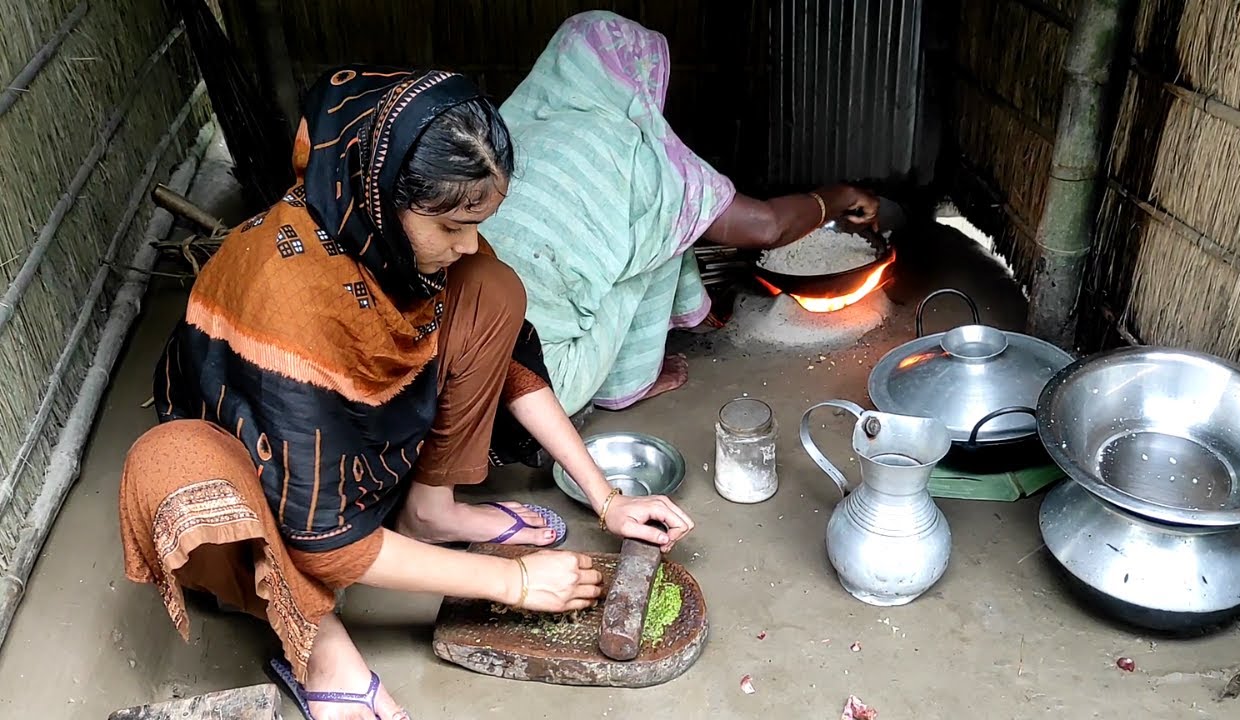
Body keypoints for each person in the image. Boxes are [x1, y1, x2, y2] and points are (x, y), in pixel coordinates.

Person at [119, 67, 694, 720]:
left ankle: (430, 507)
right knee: (173, 471)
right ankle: (317, 645)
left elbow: (504, 358)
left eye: (478, 219)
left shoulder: (380, 237)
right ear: (383, 192)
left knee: (489, 286)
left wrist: (606, 494)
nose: (468, 241)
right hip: (260, 493)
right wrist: (516, 580)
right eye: (451, 225)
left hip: (342, 454)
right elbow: (327, 541)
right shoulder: (290, 303)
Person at [480, 11, 881, 416]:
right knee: (670, 220)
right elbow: (767, 227)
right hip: (541, 387)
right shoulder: (644, 158)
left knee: (663, 217)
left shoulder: (508, 137)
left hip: (464, 359)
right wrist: (840, 196)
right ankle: (631, 379)